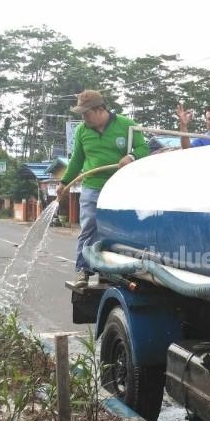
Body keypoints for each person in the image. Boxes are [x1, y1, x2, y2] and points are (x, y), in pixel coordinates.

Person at [56, 90, 150, 288]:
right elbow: (77, 160)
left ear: (100, 109)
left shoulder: (126, 125)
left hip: (120, 187)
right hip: (92, 186)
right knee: (89, 226)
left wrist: (131, 157)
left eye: (86, 113)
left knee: (116, 230)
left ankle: (109, 270)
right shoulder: (82, 130)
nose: (83, 117)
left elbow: (144, 148)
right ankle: (82, 270)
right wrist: (64, 182)